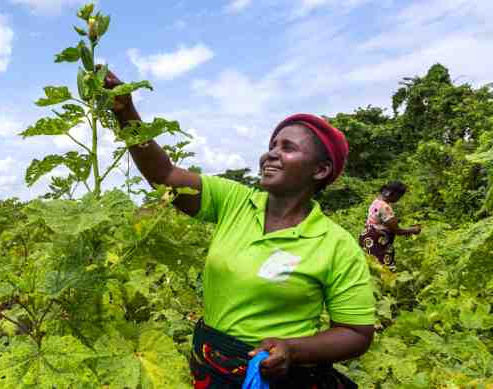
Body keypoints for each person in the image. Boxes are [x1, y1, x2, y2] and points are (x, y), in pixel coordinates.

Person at [104, 70, 375, 388]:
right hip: (211, 367)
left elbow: (356, 334)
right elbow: (164, 173)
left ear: (321, 169)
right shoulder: (234, 200)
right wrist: (125, 111)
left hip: (275, 378)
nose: (271, 153)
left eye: (287, 148)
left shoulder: (335, 243)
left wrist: (292, 349)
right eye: (272, 145)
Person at [359, 181, 420, 271]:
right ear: (393, 193)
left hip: (367, 236)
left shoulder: (377, 201)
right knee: (385, 269)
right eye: (399, 196)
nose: (398, 199)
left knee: (371, 267)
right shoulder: (385, 207)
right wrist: (413, 230)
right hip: (378, 240)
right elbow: (397, 231)